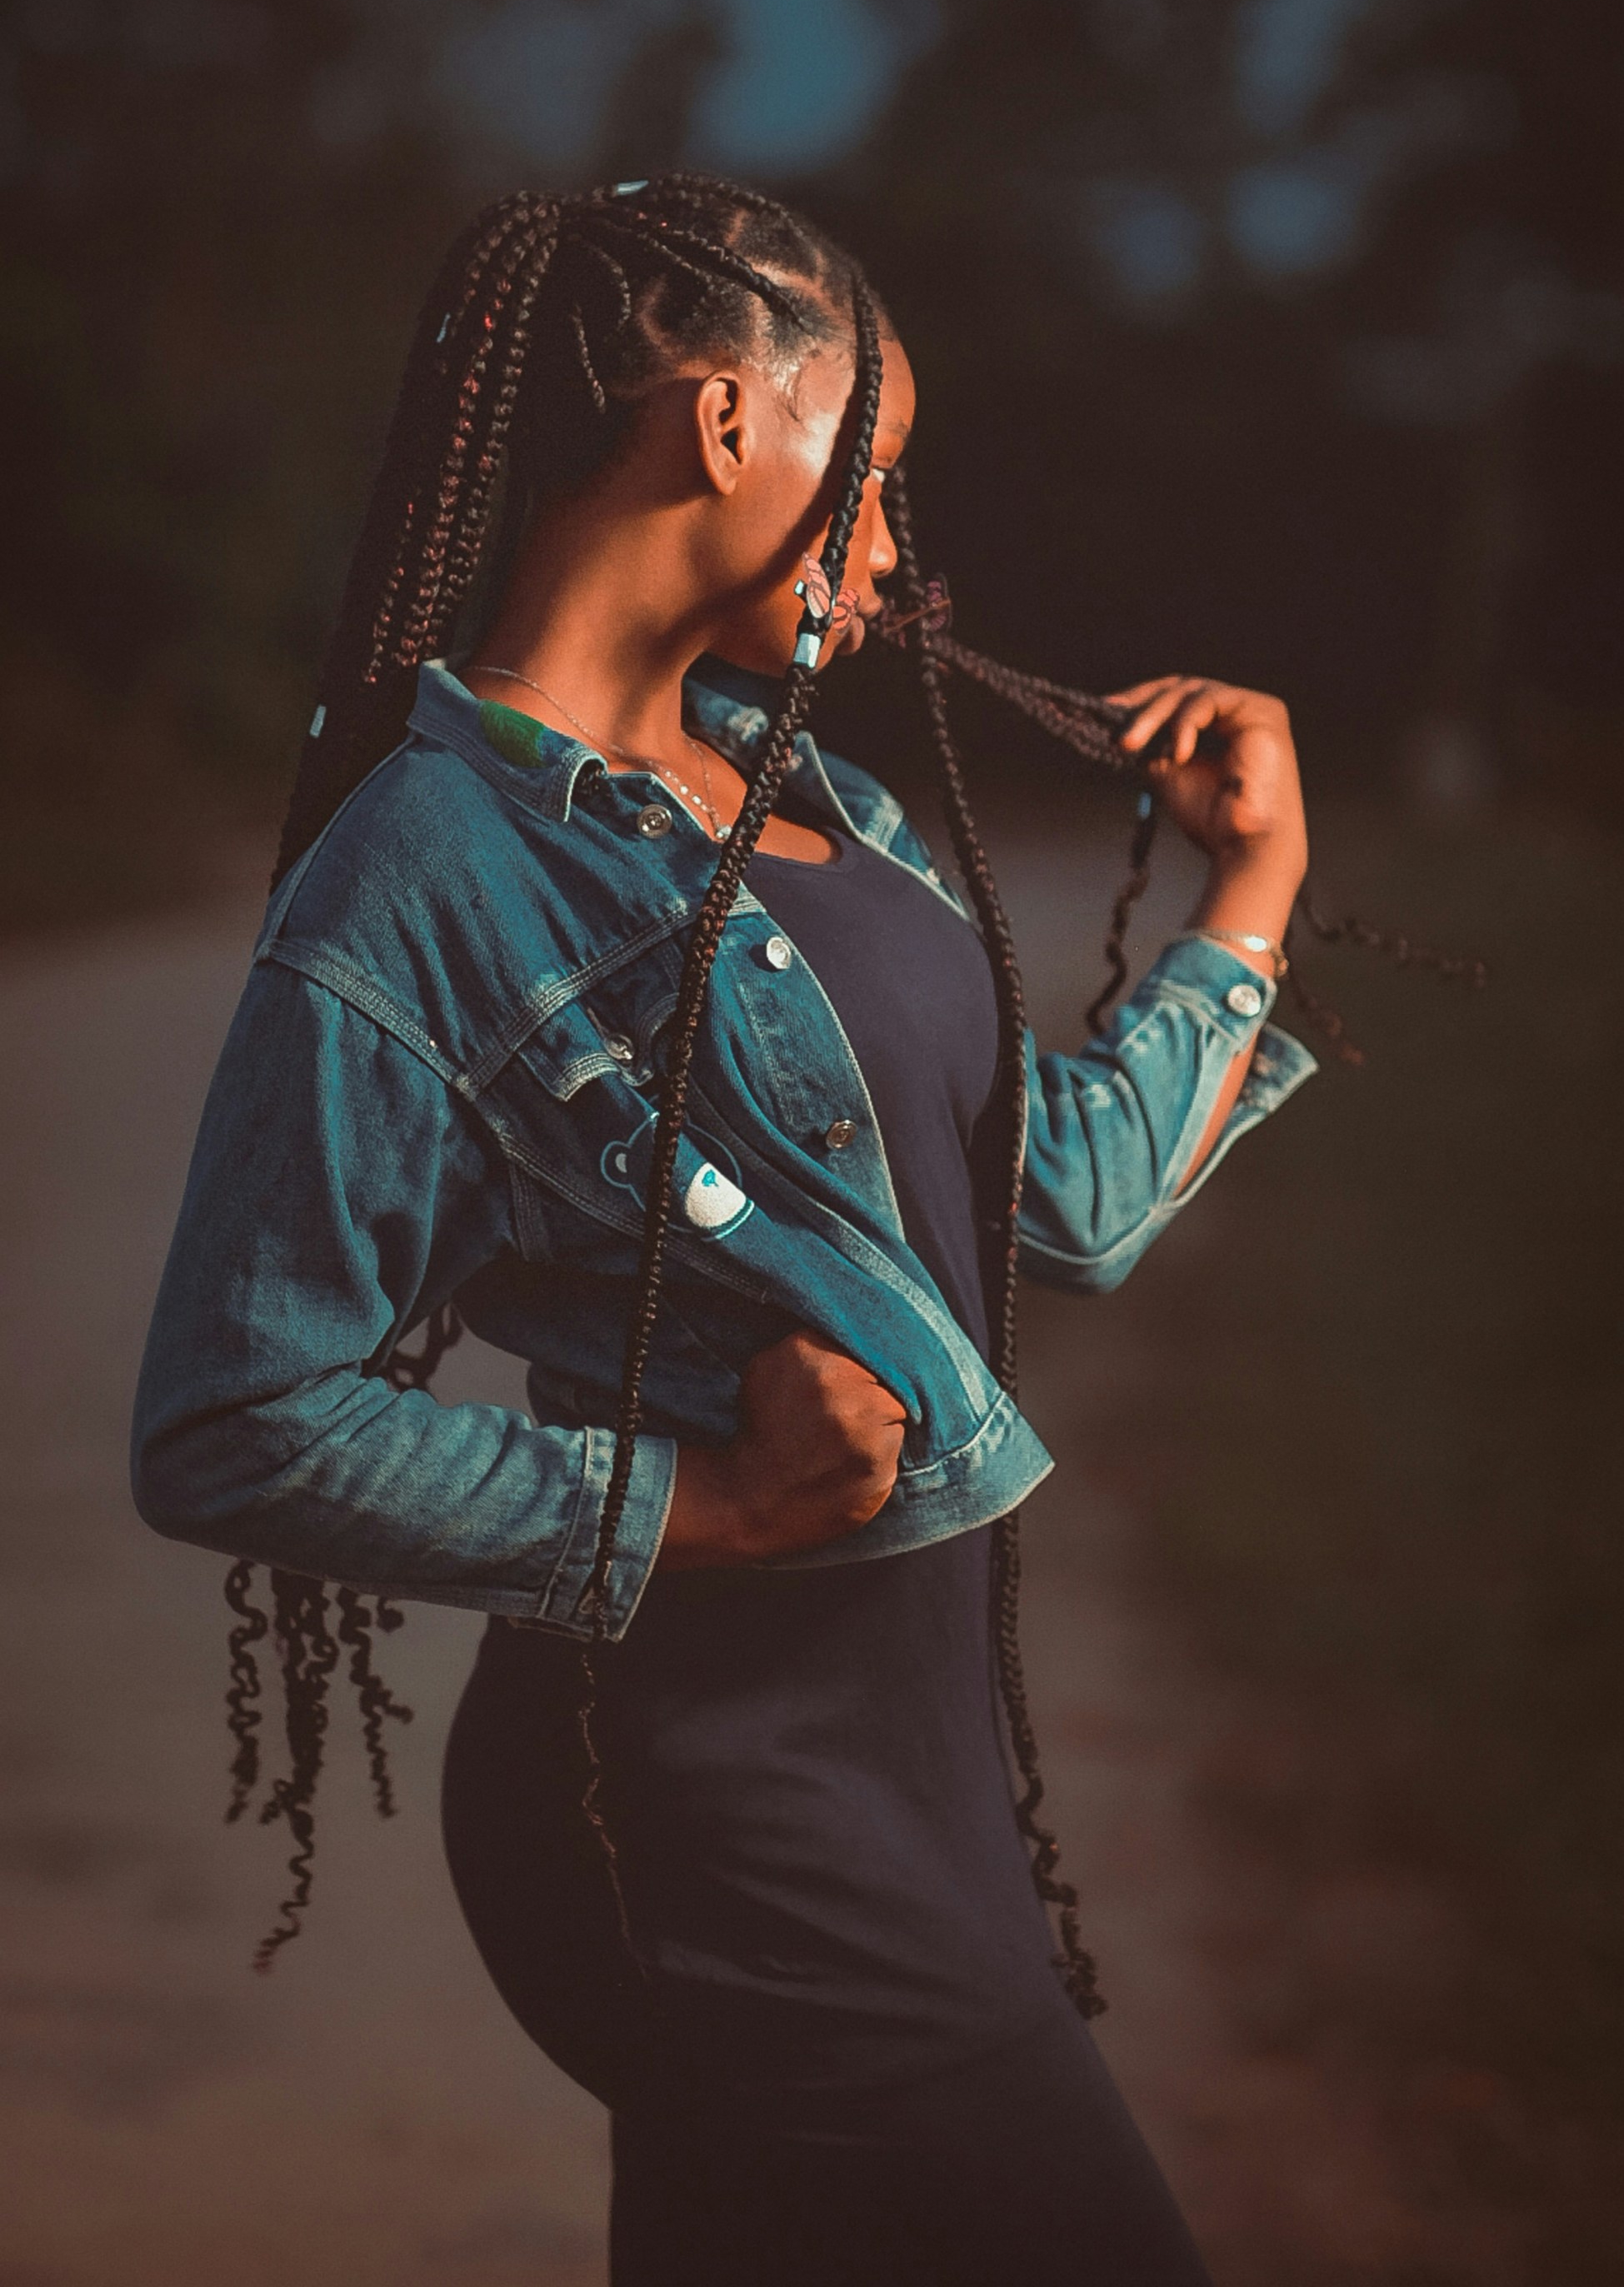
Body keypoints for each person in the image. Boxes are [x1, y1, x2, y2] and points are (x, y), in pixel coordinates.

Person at [132, 174, 1317, 2286]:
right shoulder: (415, 879)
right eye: (874, 481)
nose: (888, 557)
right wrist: (706, 1499)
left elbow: (1062, 1206)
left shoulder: (808, 796)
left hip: (915, 1770)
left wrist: (1247, 900)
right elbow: (234, 1414)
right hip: (709, 1807)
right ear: (723, 426)